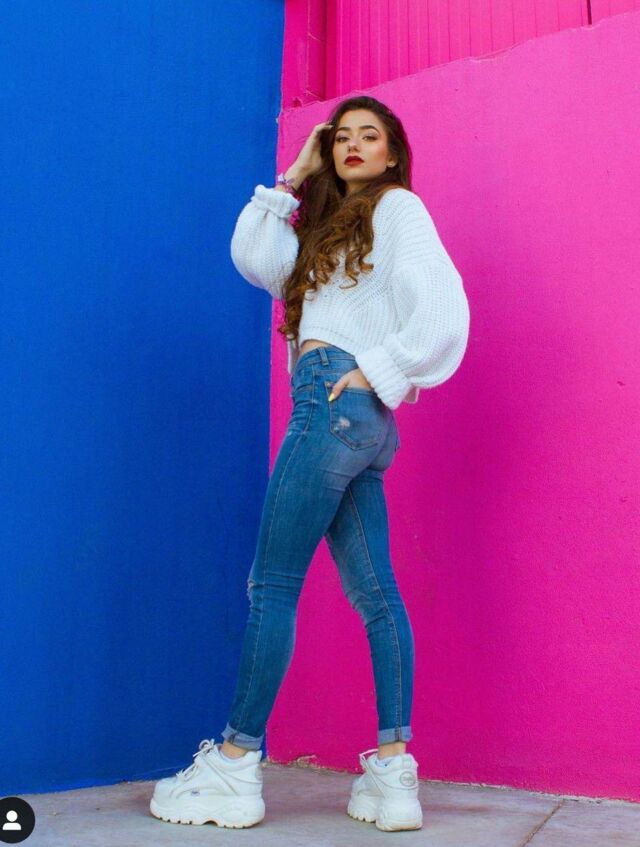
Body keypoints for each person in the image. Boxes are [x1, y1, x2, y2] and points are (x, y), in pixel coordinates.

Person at [150, 95, 470, 832]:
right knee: (378, 597)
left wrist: (380, 368)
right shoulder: (326, 232)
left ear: (393, 153)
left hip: (334, 404)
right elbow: (253, 257)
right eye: (341, 137)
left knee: (272, 585)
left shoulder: (397, 209)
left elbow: (443, 308)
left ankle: (235, 764)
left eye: (370, 136)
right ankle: (393, 774)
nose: (354, 145)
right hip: (360, 422)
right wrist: (294, 175)